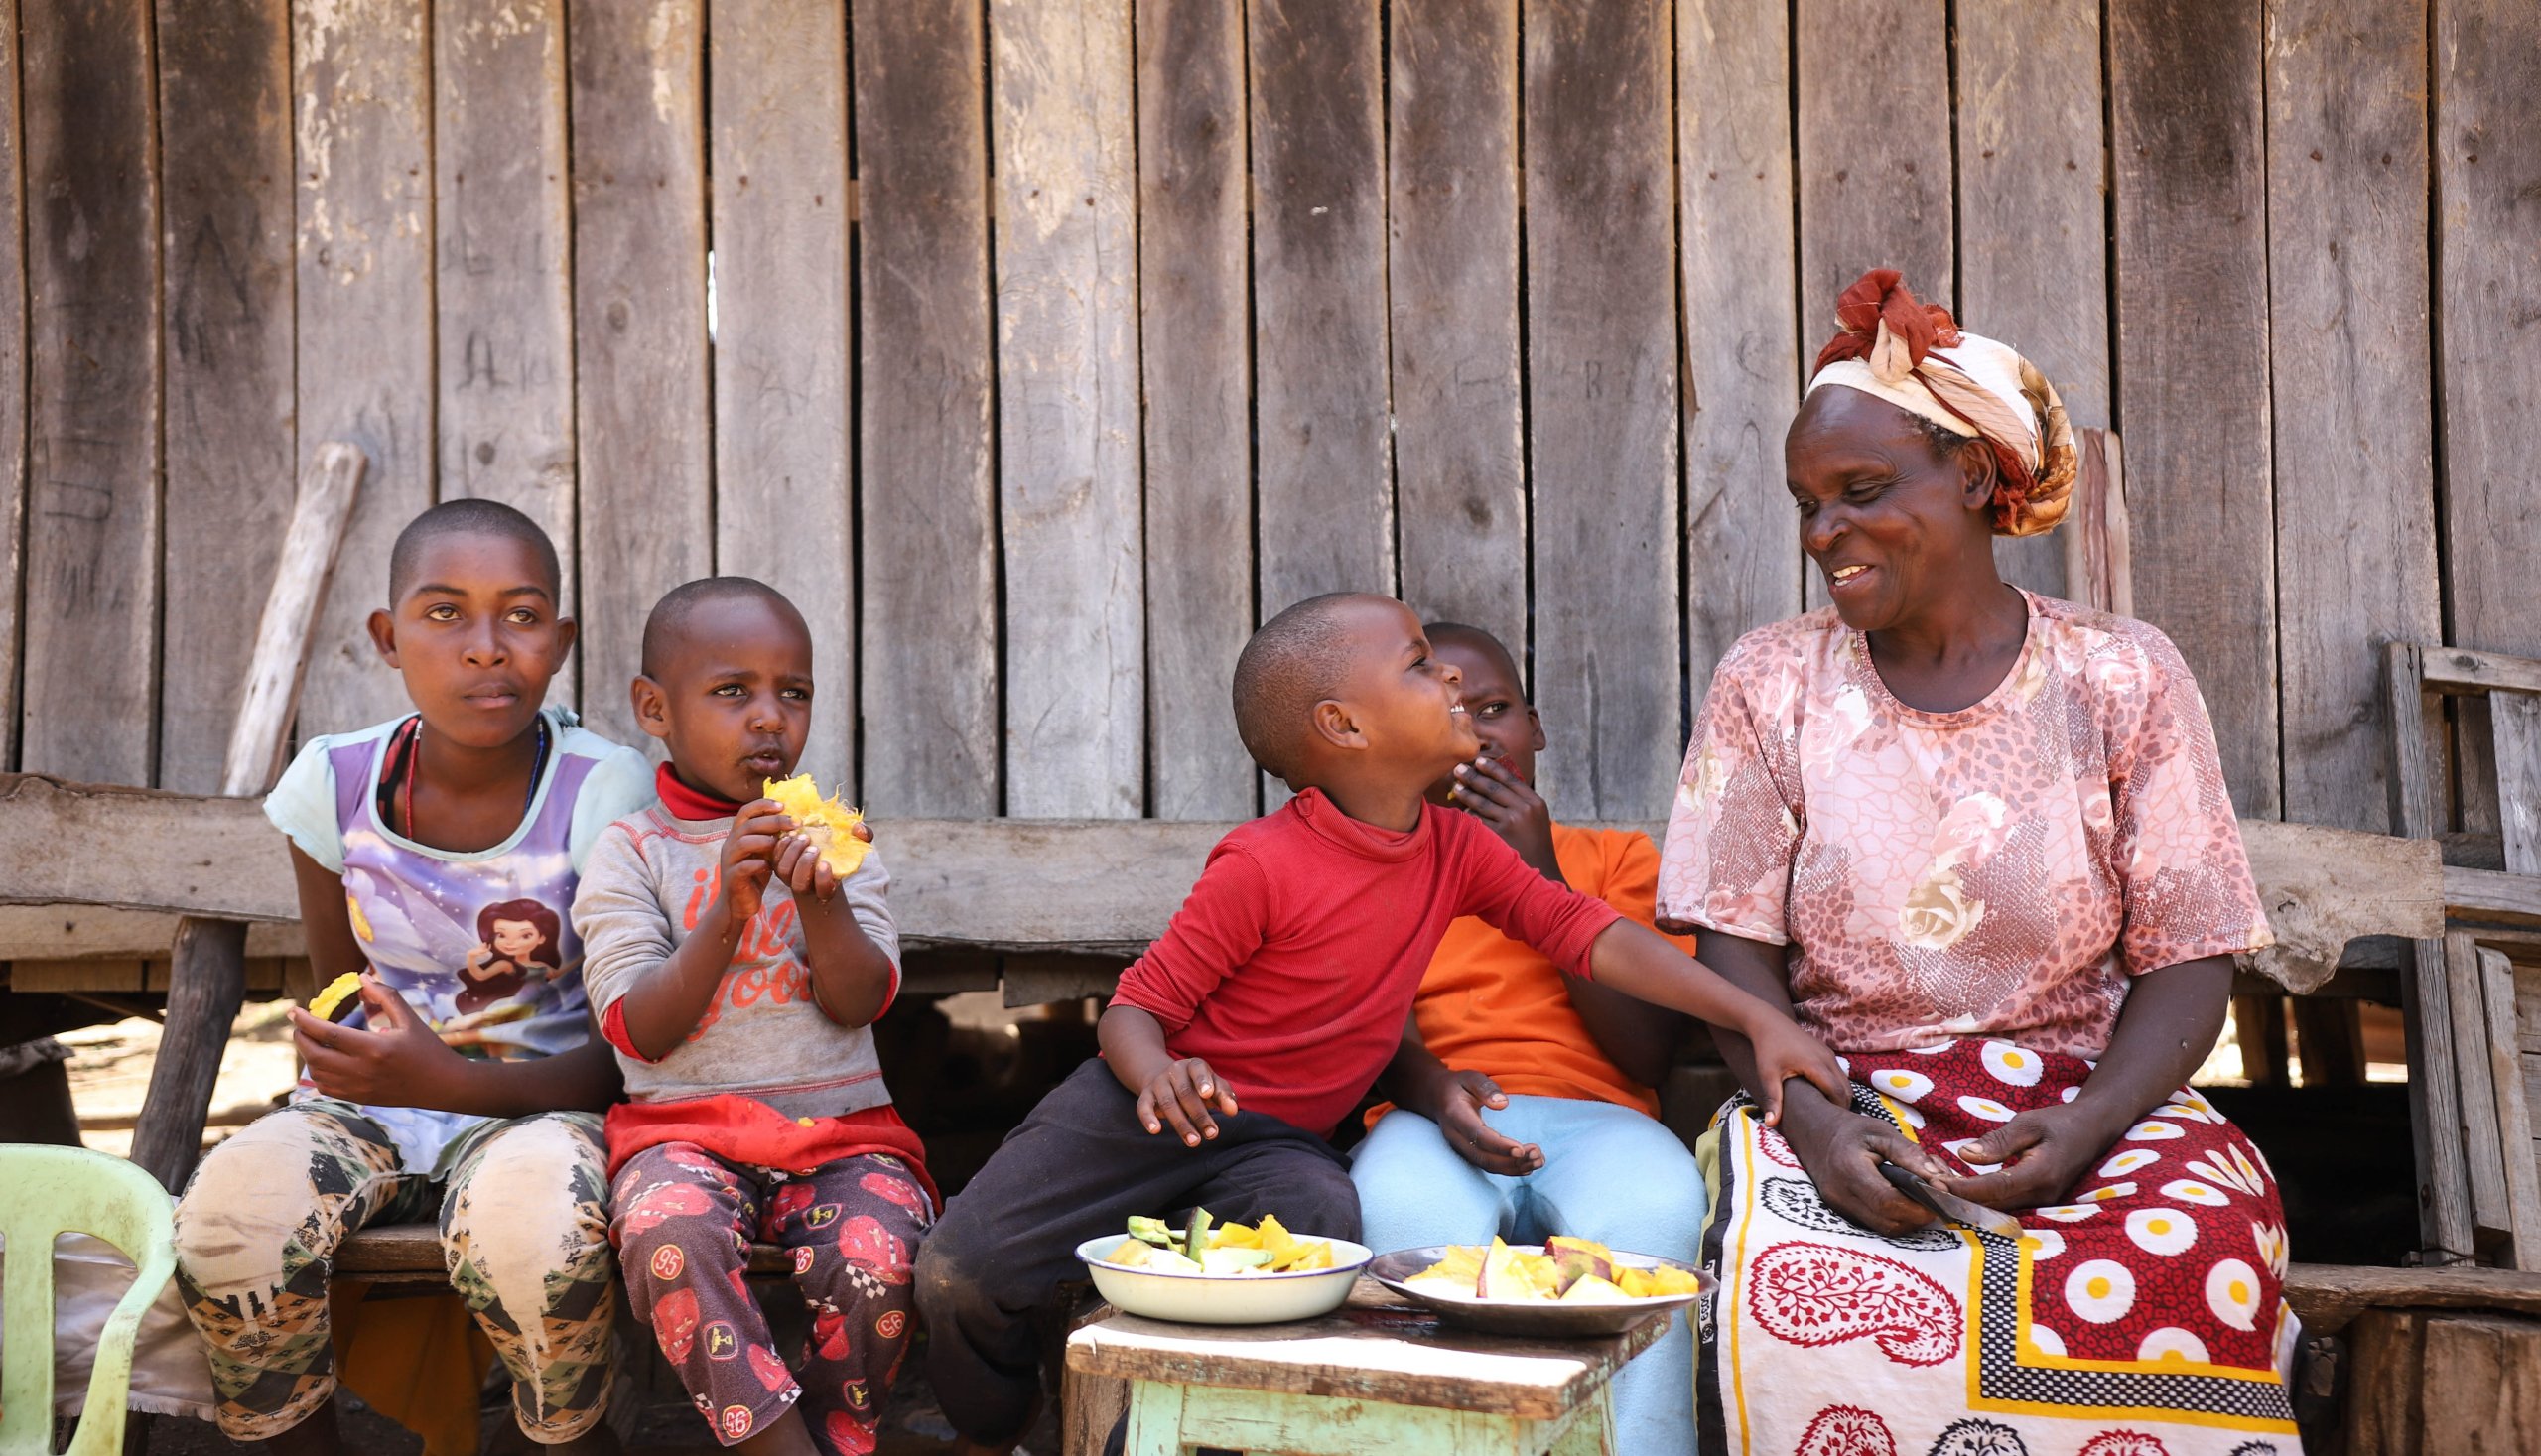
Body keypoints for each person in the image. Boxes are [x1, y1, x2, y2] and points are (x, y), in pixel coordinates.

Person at [914, 592, 1848, 1456]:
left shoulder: (1455, 849)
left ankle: (1166, 1432)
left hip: (1280, 1143)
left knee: (1329, 1235)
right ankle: (998, 1428)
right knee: (962, 1271)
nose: (1450, 676)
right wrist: (1156, 1070)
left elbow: (1586, 932)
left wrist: (1750, 1015)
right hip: (1139, 1114)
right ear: (1345, 725)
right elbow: (1134, 1007)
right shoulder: (1261, 862)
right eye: (1419, 664)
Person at [1666, 269, 2300, 1455]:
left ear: (1969, 476)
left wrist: (2089, 1126)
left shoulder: (2121, 675)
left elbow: (2190, 955)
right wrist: (1817, 1128)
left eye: (1860, 492)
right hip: (1841, 1097)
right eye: (1807, 503)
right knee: (1800, 1293)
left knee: (2197, 1255)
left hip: (2090, 1099)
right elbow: (1730, 945)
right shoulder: (1770, 680)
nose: (1822, 533)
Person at [173, 499, 653, 1454]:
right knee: (229, 1223)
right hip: (373, 1107)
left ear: (559, 643)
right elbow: (343, 991)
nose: (486, 646)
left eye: (521, 616)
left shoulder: (601, 789)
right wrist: (359, 1064)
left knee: (536, 1236)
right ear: (388, 638)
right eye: (444, 613)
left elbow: (628, 1053)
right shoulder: (335, 783)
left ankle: (562, 1436)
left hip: (544, 1106)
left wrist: (449, 1081)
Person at [575, 578, 934, 1456]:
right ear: (655, 708)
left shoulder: (842, 843)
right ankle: (771, 1442)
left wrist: (821, 899)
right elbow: (636, 1026)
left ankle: (837, 1434)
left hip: (842, 1134)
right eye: (733, 690)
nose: (770, 717)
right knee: (669, 1232)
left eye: (793, 692)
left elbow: (862, 1000)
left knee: (881, 1251)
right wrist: (727, 915)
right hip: (682, 1135)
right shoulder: (631, 852)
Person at [1351, 621, 1706, 1455]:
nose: (1478, 734)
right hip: (1435, 1115)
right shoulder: (1377, 870)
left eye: (1495, 709)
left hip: (1604, 1118)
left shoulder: (1615, 857)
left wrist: (1541, 874)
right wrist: (1439, 1093)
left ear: (1536, 727)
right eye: (1448, 712)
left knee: (1657, 1216)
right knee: (1398, 1213)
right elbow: (1382, 1042)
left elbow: (1644, 1053)